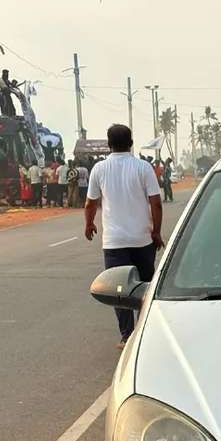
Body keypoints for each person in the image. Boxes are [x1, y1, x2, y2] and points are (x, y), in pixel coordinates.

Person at [84, 123, 163, 347]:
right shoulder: (143, 167)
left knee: (119, 289)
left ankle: (127, 335)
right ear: (131, 143)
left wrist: (89, 224)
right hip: (142, 239)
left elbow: (91, 203)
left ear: (109, 144)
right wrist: (156, 231)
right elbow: (156, 203)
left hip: (114, 242)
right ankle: (144, 332)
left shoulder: (99, 169)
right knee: (144, 287)